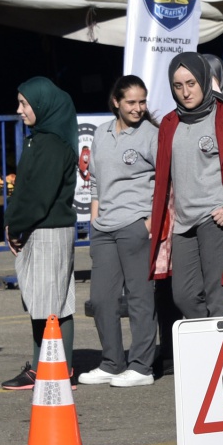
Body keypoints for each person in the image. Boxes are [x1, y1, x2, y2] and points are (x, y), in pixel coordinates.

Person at [149, 52, 223, 320]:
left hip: (216, 219)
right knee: (183, 295)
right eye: (178, 86)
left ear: (204, 81)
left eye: (191, 83)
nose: (185, 92)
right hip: (183, 223)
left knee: (218, 295)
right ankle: (206, 339)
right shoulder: (169, 123)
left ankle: (222, 345)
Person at [77, 76, 158, 388]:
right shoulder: (101, 132)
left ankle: (141, 366)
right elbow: (96, 179)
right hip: (104, 227)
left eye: (142, 102)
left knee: (139, 298)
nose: (138, 108)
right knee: (101, 300)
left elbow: (167, 180)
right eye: (131, 102)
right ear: (116, 102)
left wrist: (148, 223)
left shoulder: (151, 134)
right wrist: (94, 217)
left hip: (135, 224)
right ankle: (112, 362)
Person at [2, 77, 81, 389]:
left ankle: (46, 369)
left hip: (48, 229)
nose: (19, 110)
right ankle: (59, 367)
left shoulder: (50, 144)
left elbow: (38, 196)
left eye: (25, 103)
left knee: (49, 303)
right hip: (46, 228)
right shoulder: (43, 139)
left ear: (42, 104)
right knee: (54, 301)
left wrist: (15, 225)